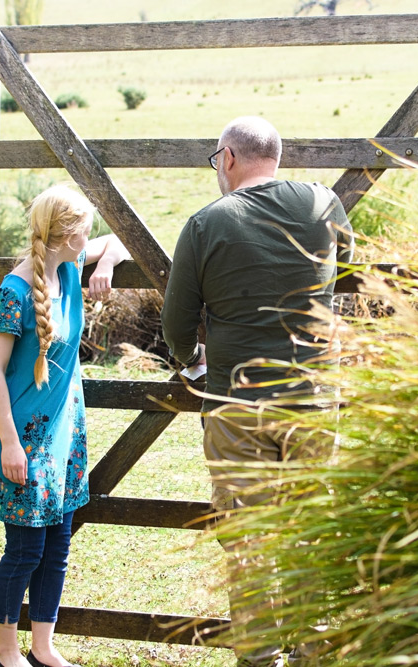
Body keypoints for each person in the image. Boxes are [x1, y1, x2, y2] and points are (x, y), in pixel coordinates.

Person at [161, 116, 354, 667]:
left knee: (248, 546)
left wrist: (193, 360)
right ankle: (315, 654)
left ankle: (260, 658)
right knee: (311, 535)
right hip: (312, 401)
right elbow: (345, 267)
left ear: (228, 158)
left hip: (237, 407)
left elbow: (177, 324)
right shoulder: (323, 202)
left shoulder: (206, 223)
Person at [0, 185, 128, 667]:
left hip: (64, 439)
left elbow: (119, 241)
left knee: (56, 546)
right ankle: (5, 652)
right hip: (21, 440)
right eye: (86, 229)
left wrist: (106, 265)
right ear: (69, 235)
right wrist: (9, 443)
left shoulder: (68, 264)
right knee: (25, 550)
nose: (91, 236)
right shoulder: (15, 292)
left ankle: (43, 648)